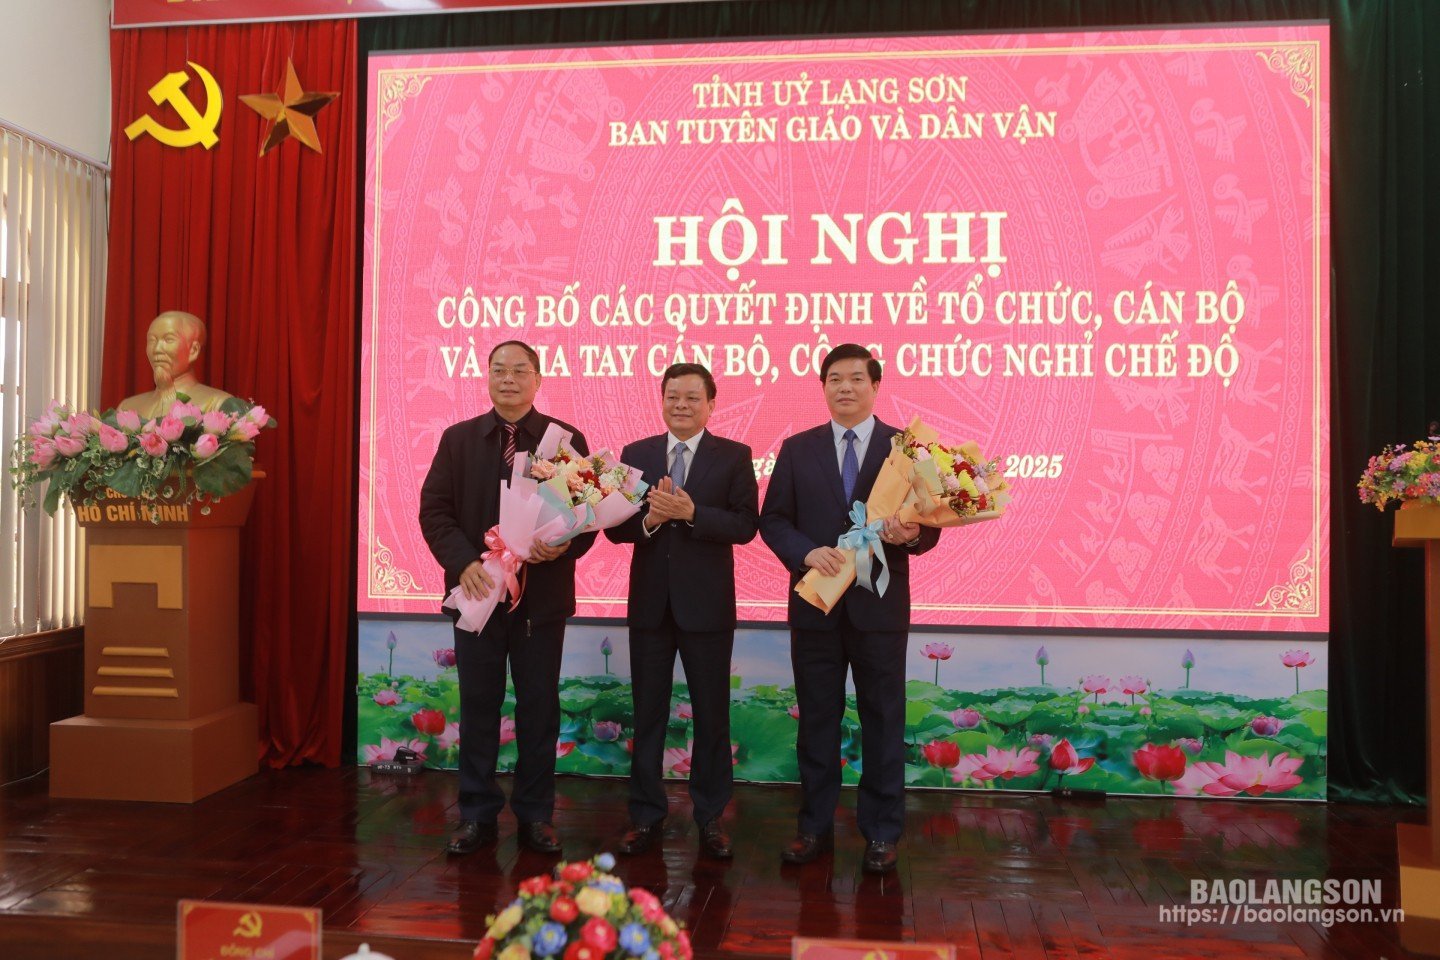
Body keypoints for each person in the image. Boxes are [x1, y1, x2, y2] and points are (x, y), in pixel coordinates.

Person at [758, 343, 941, 874]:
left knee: (884, 718)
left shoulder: (904, 449)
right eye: (834, 379)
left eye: (856, 379)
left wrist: (912, 535)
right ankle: (813, 826)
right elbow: (774, 520)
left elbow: (928, 529)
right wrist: (803, 552)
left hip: (878, 609)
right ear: (823, 387)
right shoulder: (797, 448)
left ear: (875, 386)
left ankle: (882, 833)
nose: (845, 388)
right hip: (817, 605)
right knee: (816, 718)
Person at [418, 340, 595, 856]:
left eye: (521, 371)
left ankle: (537, 816)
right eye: (500, 370)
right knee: (478, 705)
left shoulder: (563, 440)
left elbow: (587, 518)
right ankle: (475, 813)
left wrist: (558, 546)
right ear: (487, 378)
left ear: (539, 379)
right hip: (478, 596)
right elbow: (435, 512)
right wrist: (464, 563)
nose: (509, 379)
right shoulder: (459, 439)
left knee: (539, 707)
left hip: (541, 601)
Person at [605, 363, 758, 859]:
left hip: (708, 608)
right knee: (647, 714)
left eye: (693, 397)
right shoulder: (637, 455)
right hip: (650, 606)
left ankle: (711, 817)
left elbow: (745, 524)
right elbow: (613, 528)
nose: (682, 405)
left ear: (712, 404)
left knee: (712, 717)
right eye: (673, 396)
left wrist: (692, 514)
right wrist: (648, 519)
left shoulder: (735, 456)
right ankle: (645, 816)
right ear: (662, 399)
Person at [117, 310, 233, 417]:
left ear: (193, 350)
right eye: (152, 340)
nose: (157, 349)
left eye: (168, 339)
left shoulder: (219, 406)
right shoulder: (127, 408)